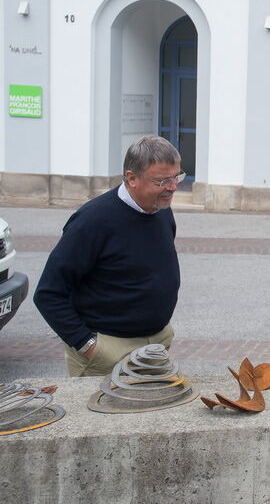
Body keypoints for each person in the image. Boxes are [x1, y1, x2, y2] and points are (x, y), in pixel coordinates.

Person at [34, 135, 184, 377]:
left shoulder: (161, 210)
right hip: (107, 351)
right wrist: (88, 345)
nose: (173, 187)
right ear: (131, 178)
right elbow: (48, 293)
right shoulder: (93, 220)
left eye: (176, 177)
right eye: (162, 181)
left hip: (157, 345)